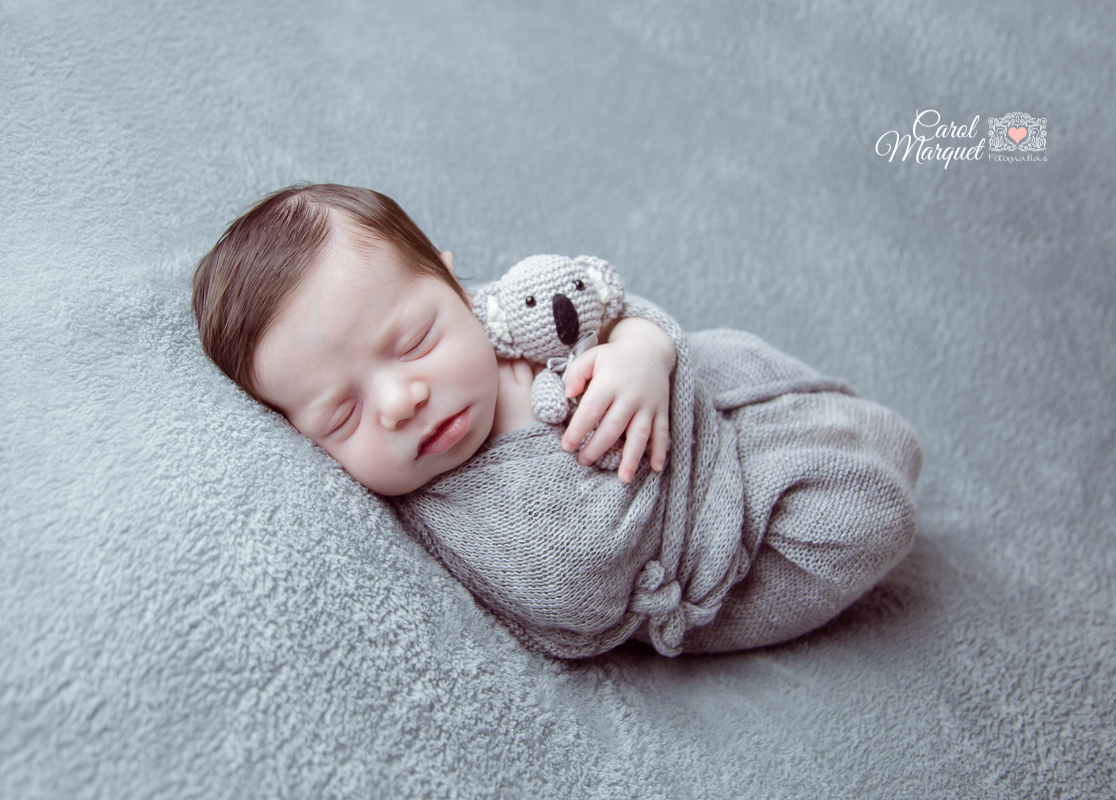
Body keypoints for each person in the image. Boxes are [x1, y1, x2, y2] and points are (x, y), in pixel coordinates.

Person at [193, 183, 922, 659]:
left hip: (716, 396)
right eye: (342, 413)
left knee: (765, 372)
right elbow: (575, 585)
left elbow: (605, 304)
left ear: (451, 281)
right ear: (304, 441)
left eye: (414, 340)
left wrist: (643, 352)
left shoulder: (494, 313)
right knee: (868, 514)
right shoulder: (450, 505)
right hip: (715, 534)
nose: (399, 401)